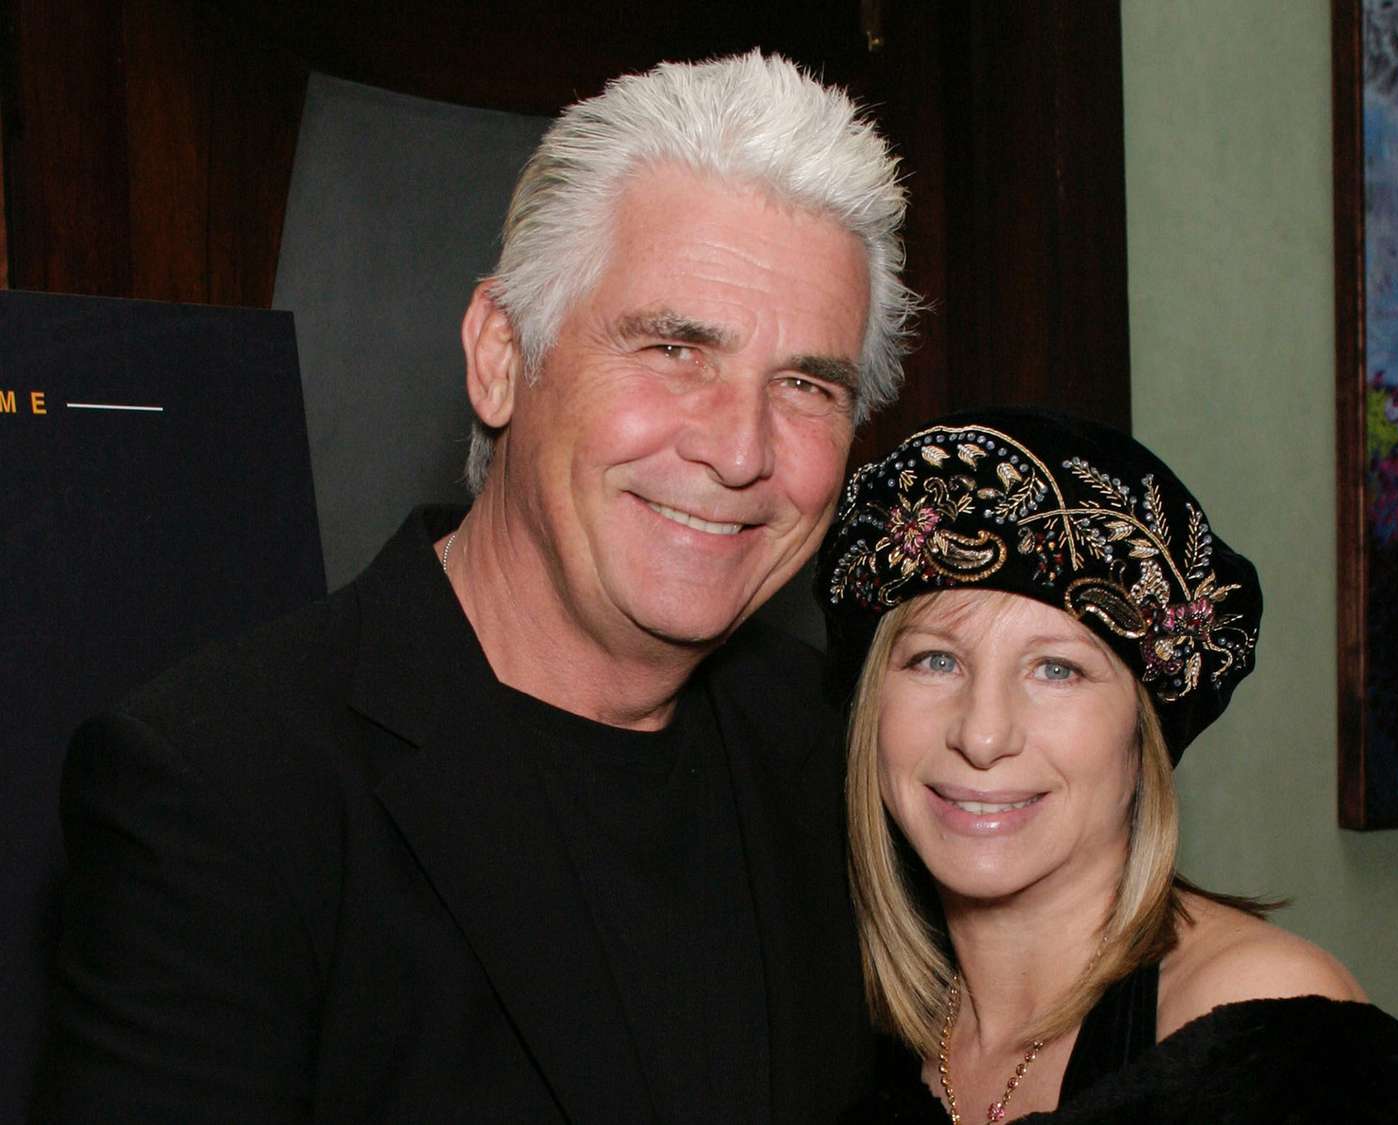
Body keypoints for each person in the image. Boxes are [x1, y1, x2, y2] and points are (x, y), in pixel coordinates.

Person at [33, 52, 917, 1123]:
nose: (741, 449)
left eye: (806, 386)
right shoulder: (226, 791)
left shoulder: (842, 752)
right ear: (501, 356)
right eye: (675, 348)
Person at [817, 407, 1398, 1123]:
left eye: (1057, 668)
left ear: (1142, 734)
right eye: (936, 659)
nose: (984, 733)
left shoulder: (1267, 1041)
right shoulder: (843, 1031)